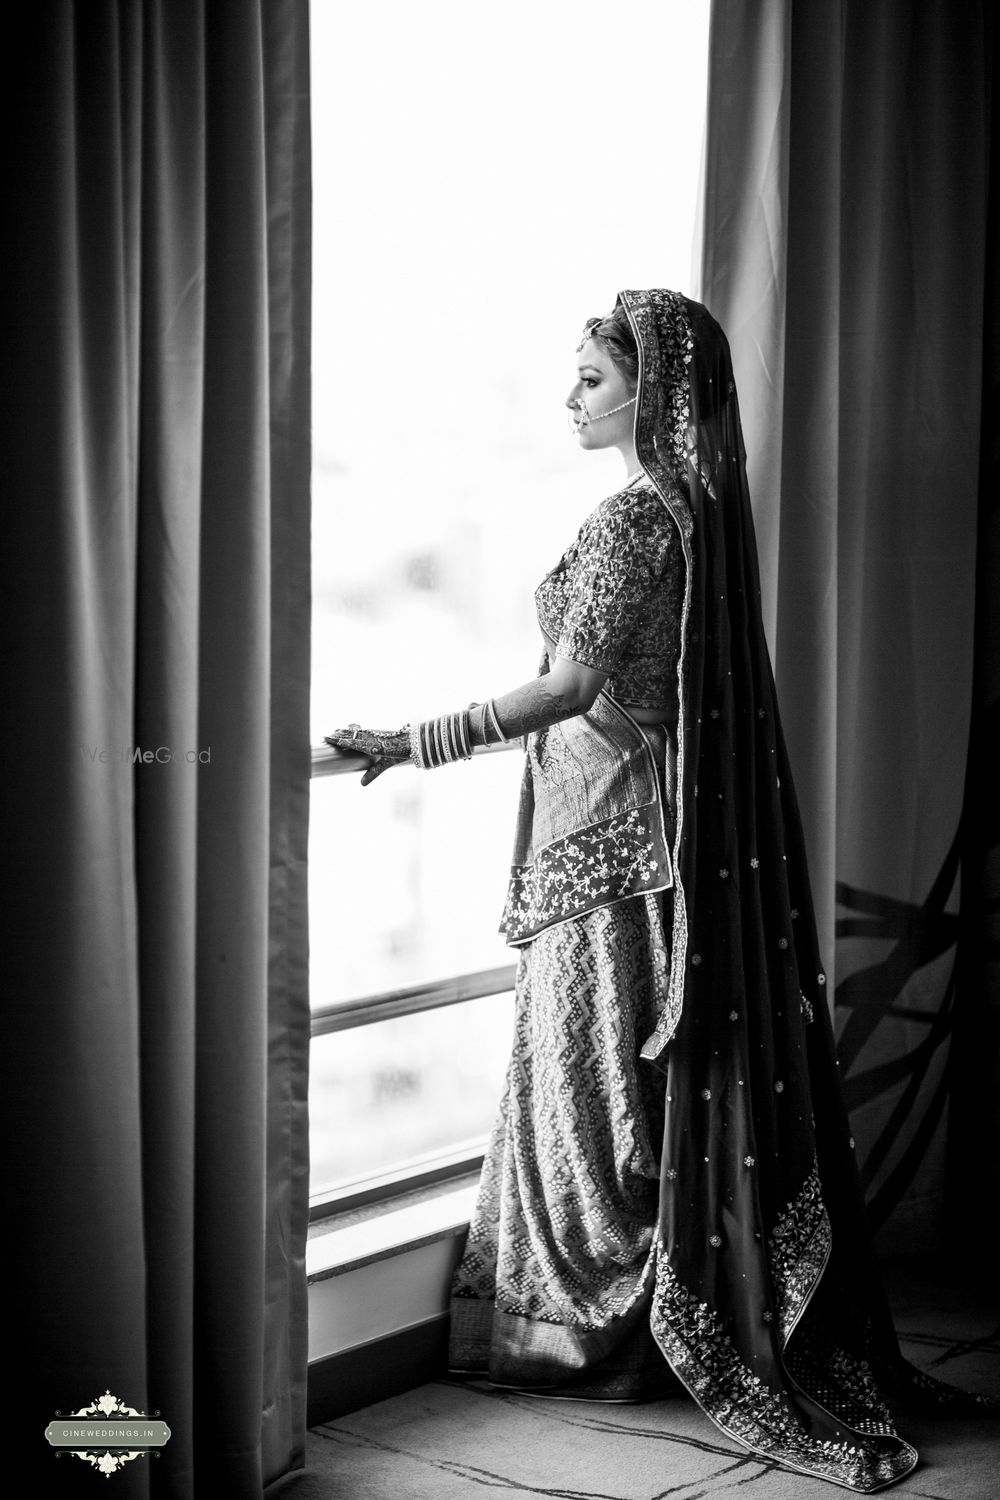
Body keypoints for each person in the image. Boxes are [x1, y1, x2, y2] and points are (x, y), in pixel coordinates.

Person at [325, 289, 990, 1491]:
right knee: (619, 1092)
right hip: (635, 837)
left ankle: (597, 1338)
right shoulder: (698, 511)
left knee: (595, 1097)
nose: (570, 396)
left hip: (614, 854)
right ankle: (621, 1322)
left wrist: (412, 738)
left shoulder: (641, 519)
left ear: (652, 390)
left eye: (588, 376)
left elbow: (567, 691)